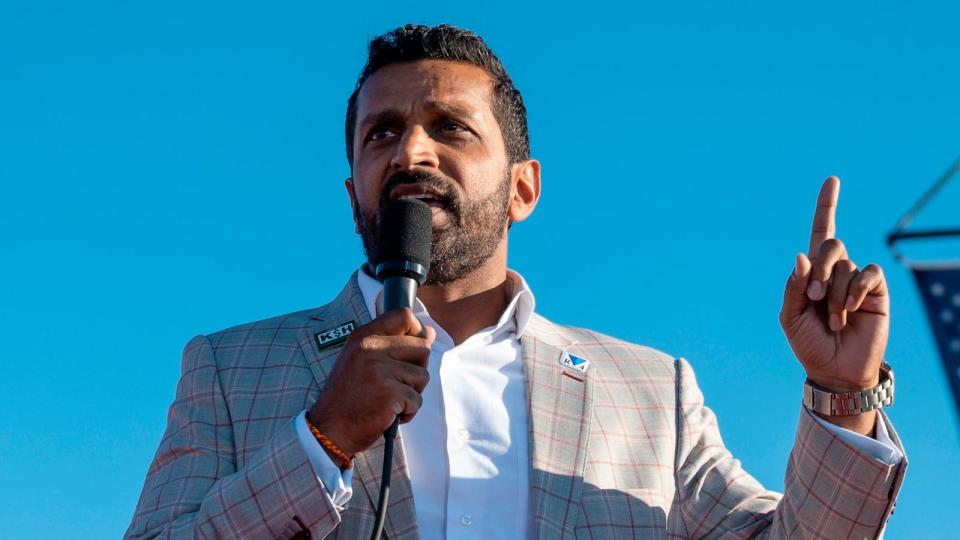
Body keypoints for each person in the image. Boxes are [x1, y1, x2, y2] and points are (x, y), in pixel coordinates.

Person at [125, 24, 906, 539]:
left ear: (523, 188)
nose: (412, 154)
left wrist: (843, 397)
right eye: (382, 133)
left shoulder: (650, 393)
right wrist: (319, 440)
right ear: (353, 188)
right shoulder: (230, 372)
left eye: (450, 127)